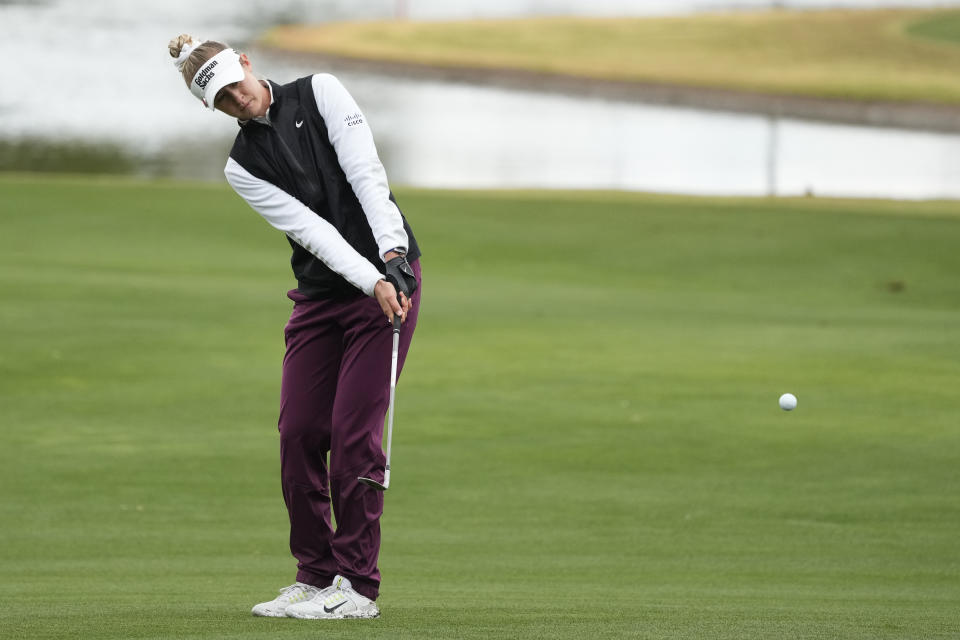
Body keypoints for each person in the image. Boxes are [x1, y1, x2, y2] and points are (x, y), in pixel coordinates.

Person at [167, 34, 422, 620]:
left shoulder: (321, 92)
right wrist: (370, 277)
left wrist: (392, 259)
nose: (238, 99)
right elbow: (314, 233)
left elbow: (366, 174)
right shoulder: (242, 167)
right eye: (223, 101)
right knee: (299, 433)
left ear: (248, 65)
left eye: (237, 84)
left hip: (387, 289)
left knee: (354, 438)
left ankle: (357, 588)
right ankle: (313, 575)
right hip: (324, 295)